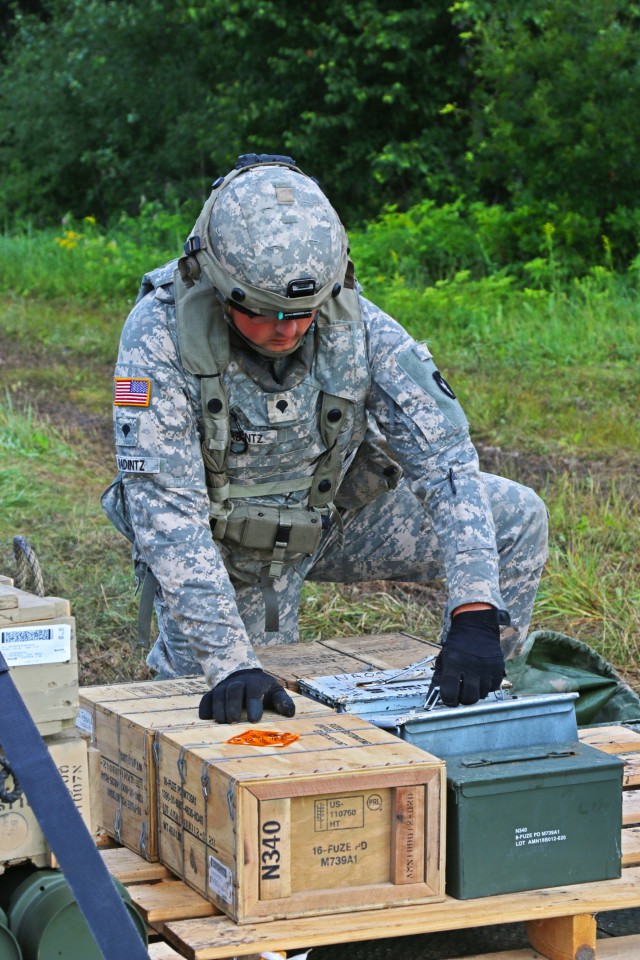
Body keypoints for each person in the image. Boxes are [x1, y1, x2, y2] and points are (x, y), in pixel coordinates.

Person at [102, 153, 548, 724]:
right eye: (263, 312)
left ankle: (474, 707)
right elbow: (166, 512)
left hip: (328, 522)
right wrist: (231, 662)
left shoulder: (355, 322)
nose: (286, 329)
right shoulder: (160, 335)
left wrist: (476, 609)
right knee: (225, 711)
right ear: (218, 284)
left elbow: (445, 459)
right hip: (225, 550)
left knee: (516, 514)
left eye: (302, 311)